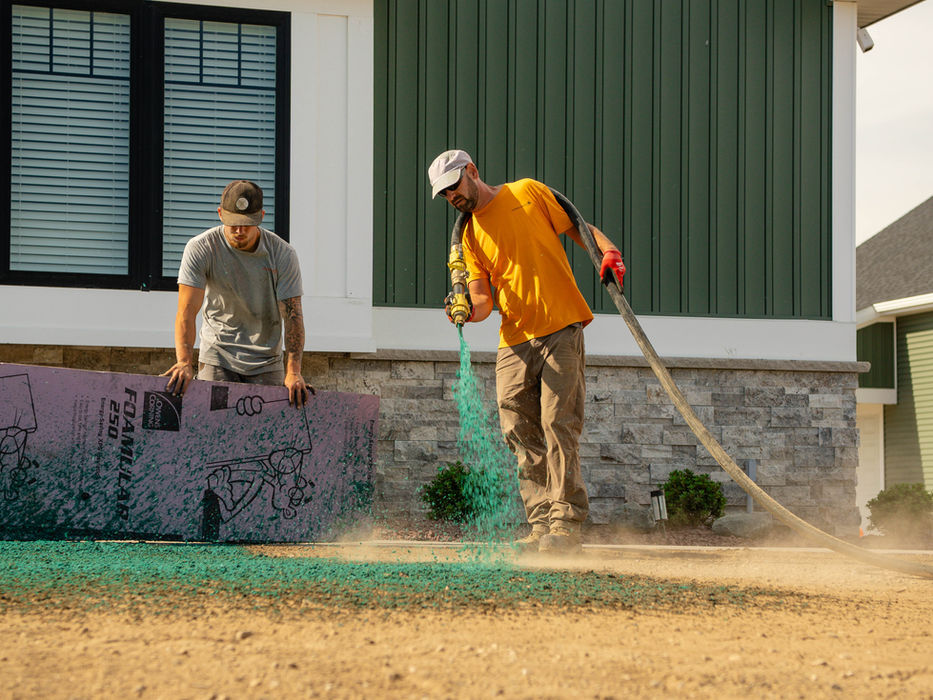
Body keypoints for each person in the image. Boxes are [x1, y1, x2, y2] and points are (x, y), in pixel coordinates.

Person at [428, 149, 626, 553]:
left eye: (454, 186)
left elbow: (578, 226)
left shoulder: (526, 193)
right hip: (514, 339)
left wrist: (608, 251)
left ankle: (565, 525)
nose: (452, 197)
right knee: (519, 431)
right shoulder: (468, 236)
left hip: (560, 326)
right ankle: (540, 525)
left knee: (558, 424)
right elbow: (483, 300)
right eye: (444, 194)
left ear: (472, 171)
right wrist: (464, 310)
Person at [162, 179, 311, 407]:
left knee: (265, 429)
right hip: (218, 356)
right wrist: (184, 361)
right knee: (213, 426)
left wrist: (293, 371)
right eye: (233, 224)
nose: (239, 231)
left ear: (261, 216)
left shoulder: (282, 254)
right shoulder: (201, 248)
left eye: (247, 224)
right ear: (220, 214)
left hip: (267, 361)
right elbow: (186, 312)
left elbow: (293, 316)